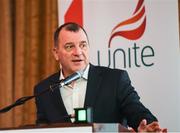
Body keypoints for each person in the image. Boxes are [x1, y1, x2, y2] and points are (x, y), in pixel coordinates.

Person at [34, 22, 167, 132]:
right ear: (56, 53)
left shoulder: (114, 80)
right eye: (70, 47)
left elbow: (138, 112)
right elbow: (42, 129)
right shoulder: (44, 90)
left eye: (83, 45)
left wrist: (146, 126)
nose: (78, 52)